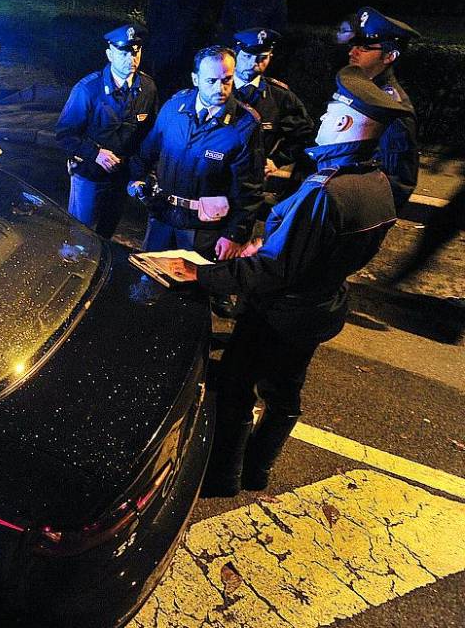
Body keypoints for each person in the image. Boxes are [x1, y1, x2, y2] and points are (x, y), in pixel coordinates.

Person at [159, 66, 414, 496]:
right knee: (285, 391)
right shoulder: (377, 184)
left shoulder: (324, 191)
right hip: (321, 306)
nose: (322, 120)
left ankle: (223, 477)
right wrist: (273, 244)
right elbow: (320, 252)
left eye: (331, 112)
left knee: (236, 386)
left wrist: (200, 274)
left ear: (347, 123)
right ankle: (258, 470)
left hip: (279, 313)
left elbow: (274, 271)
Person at [128, 45, 263, 260]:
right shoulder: (174, 108)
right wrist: (135, 179)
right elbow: (148, 152)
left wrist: (234, 234)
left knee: (192, 288)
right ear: (195, 79)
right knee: (148, 280)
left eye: (227, 80)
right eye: (211, 81)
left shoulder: (244, 126)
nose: (221, 88)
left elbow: (249, 190)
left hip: (204, 231)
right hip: (162, 218)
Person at [55, 24, 159, 238]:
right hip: (89, 175)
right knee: (80, 235)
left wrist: (141, 172)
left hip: (122, 177)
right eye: (124, 52)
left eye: (136, 52)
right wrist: (95, 153)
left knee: (106, 234)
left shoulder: (148, 88)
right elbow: (65, 134)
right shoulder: (88, 89)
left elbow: (151, 136)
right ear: (110, 54)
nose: (131, 58)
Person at [348, 7, 421, 211]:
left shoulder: (391, 109)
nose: (352, 52)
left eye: (364, 47)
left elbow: (396, 183)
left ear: (389, 56)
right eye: (354, 44)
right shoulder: (355, 87)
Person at [231, 28, 314, 182]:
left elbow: (304, 133)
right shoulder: (217, 89)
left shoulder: (280, 97)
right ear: (235, 55)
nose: (253, 64)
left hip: (252, 180)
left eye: (262, 58)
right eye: (247, 56)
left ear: (270, 57)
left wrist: (277, 160)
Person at [146, 0, 212, 95]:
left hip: (186, 52)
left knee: (180, 89)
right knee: (158, 86)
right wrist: (157, 41)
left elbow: (204, 24)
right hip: (164, 49)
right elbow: (153, 18)